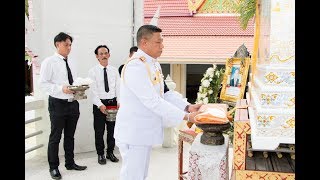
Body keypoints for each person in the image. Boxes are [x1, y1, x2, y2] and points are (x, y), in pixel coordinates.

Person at [114, 25, 202, 180]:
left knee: (140, 175)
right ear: (144, 42)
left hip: (143, 132)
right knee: (133, 176)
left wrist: (188, 107)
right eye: (158, 42)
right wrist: (187, 117)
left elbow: (164, 94)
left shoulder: (153, 64)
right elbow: (152, 101)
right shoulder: (136, 65)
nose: (162, 46)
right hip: (134, 132)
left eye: (162, 42)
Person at [39, 32, 87, 180]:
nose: (69, 47)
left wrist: (79, 87)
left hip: (73, 103)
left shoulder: (72, 62)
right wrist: (61, 89)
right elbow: (43, 84)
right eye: (66, 44)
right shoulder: (49, 62)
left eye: (70, 45)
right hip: (58, 104)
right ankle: (53, 167)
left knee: (70, 136)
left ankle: (70, 163)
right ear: (57, 44)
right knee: (55, 137)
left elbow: (73, 80)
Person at [88, 45, 120, 165]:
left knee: (112, 130)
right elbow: (93, 91)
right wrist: (100, 105)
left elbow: (119, 87)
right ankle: (100, 154)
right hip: (99, 104)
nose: (104, 55)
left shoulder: (114, 70)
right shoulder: (92, 72)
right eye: (101, 54)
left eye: (106, 53)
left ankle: (110, 152)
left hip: (112, 103)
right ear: (97, 56)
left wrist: (119, 102)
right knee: (99, 131)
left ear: (109, 54)